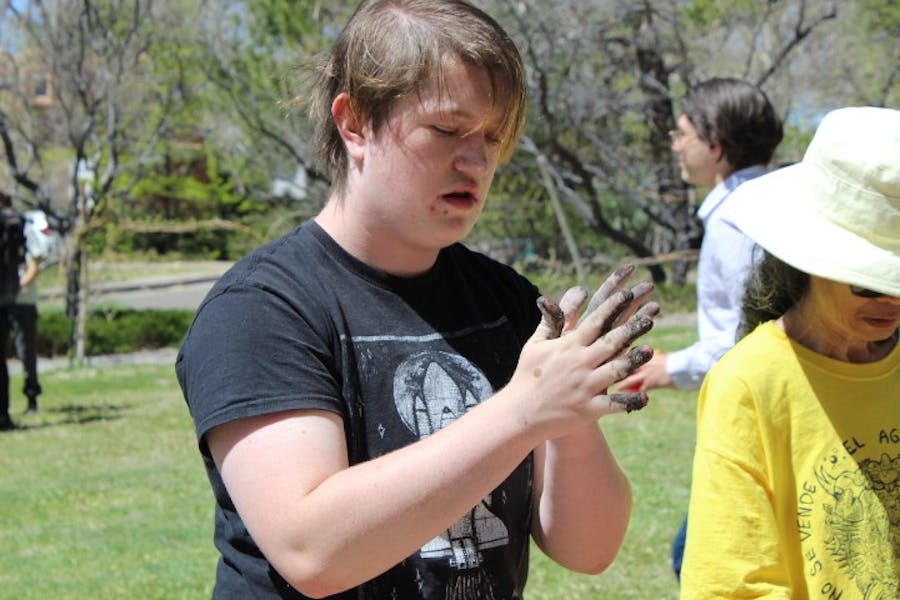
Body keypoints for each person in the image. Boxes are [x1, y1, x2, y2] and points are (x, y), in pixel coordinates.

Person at [176, 1, 659, 598]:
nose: (477, 160)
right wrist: (523, 411)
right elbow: (312, 551)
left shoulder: (506, 301)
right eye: (447, 129)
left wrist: (570, 414)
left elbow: (589, 550)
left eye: (493, 136)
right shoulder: (260, 309)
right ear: (355, 124)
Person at [680, 106, 900, 598]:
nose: (893, 301)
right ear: (812, 261)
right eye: (870, 282)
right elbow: (732, 581)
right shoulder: (751, 381)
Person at [616, 76, 783, 578]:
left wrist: (671, 367)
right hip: (776, 411)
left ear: (715, 145)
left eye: (682, 133)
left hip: (757, 416)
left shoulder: (735, 220)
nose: (675, 145)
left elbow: (750, 337)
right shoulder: (771, 202)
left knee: (693, 558)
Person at [10, 209, 51, 414]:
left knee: (25, 351)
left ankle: (32, 396)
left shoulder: (24, 231)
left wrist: (13, 290)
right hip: (6, 302)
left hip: (23, 302)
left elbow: (34, 267)